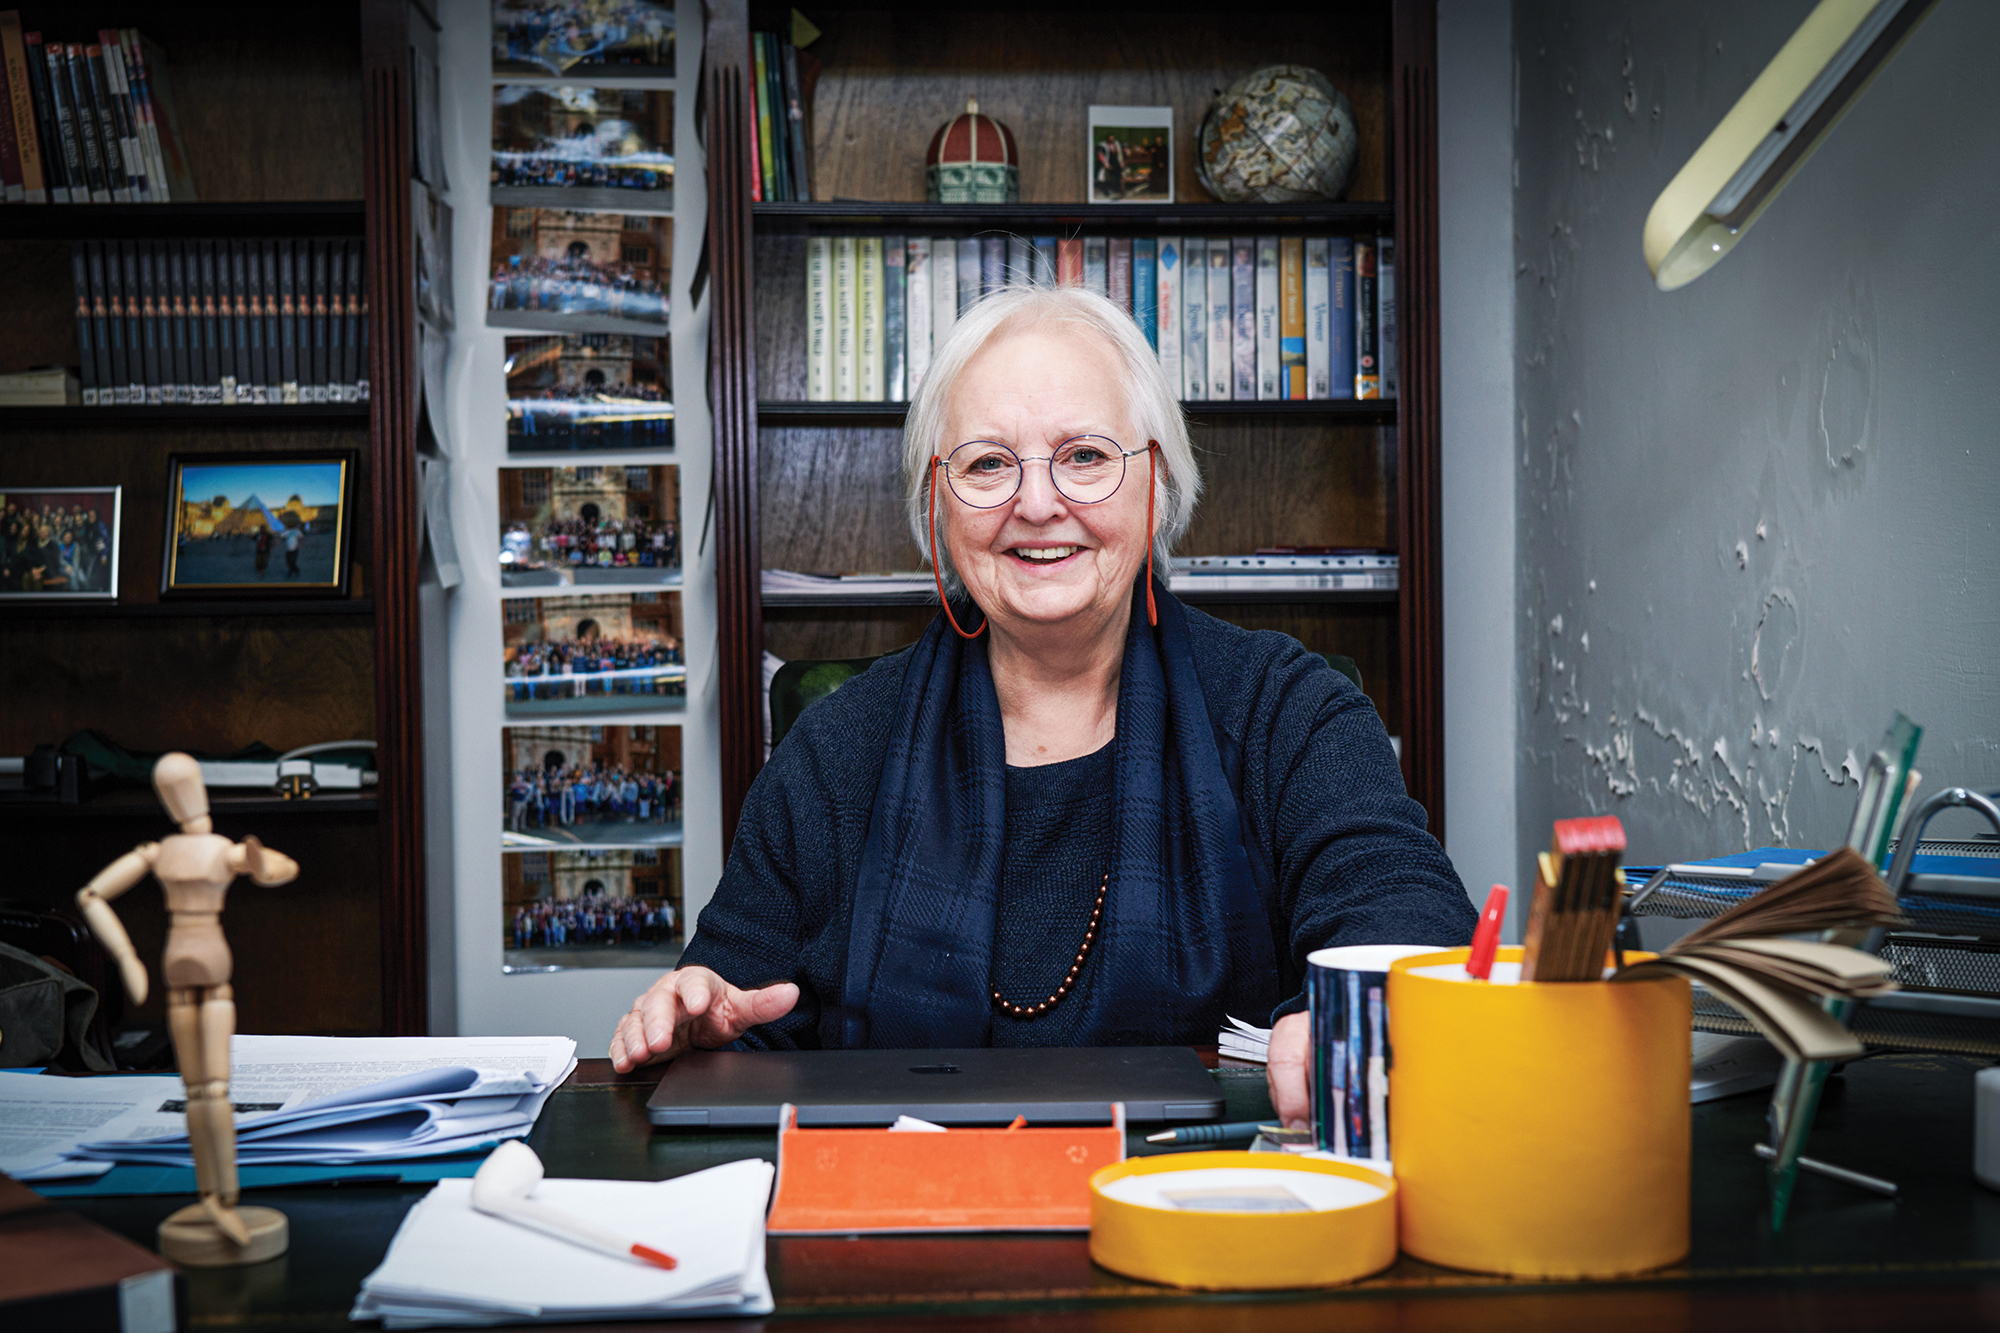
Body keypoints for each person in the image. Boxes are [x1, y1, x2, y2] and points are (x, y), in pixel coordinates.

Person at [608, 286, 1474, 1127]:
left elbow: (1401, 902)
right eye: (987, 463)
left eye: (1085, 456)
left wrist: (1355, 1000)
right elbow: (733, 1006)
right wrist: (700, 1015)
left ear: (1154, 483)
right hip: (908, 1222)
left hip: (1206, 1210)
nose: (1035, 502)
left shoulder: (1287, 708)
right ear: (937, 505)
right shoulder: (836, 747)